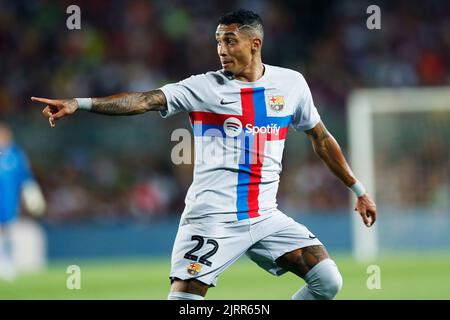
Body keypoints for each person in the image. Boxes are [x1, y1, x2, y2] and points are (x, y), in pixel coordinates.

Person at [31, 9, 377, 300]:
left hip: (265, 216)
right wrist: (81, 103)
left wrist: (358, 190)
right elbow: (145, 100)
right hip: (211, 218)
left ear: (255, 44)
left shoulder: (291, 85)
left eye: (230, 41)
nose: (221, 49)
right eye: (218, 42)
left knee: (328, 281)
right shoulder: (204, 87)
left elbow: (321, 137)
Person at [0, 122, 46, 281]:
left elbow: (25, 176)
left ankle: (8, 263)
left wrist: (31, 191)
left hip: (9, 197)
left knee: (8, 230)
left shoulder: (16, 154)